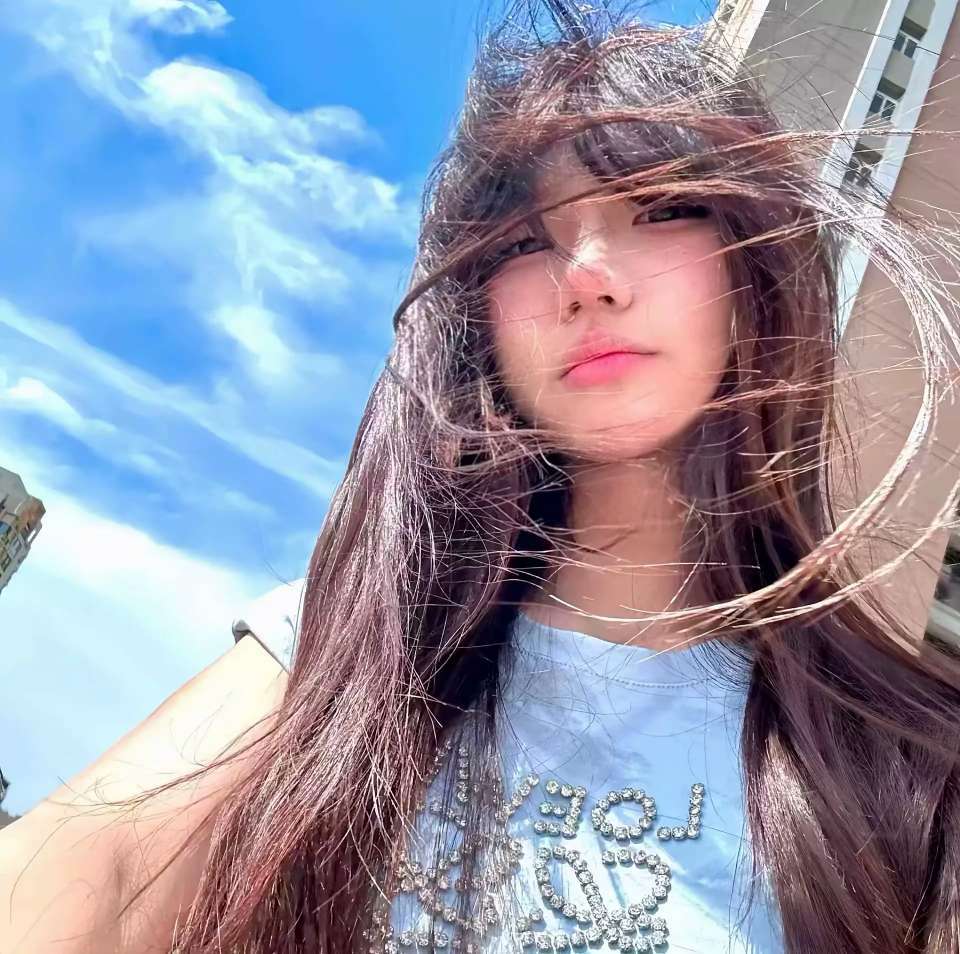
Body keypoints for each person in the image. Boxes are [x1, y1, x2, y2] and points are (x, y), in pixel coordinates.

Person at [4, 2, 960, 952]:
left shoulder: (906, 768)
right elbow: (98, 869)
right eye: (523, 242)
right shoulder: (348, 642)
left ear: (756, 262)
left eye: (662, 207)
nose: (587, 276)